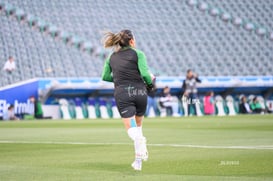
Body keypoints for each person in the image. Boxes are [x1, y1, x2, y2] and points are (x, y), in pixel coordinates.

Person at [101, 29, 154, 171]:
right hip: (140, 93)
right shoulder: (139, 54)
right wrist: (150, 84)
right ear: (131, 41)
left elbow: (105, 77)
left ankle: (141, 144)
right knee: (139, 128)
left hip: (123, 94)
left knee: (132, 129)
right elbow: (145, 74)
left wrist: (119, 79)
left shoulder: (111, 57)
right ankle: (138, 161)